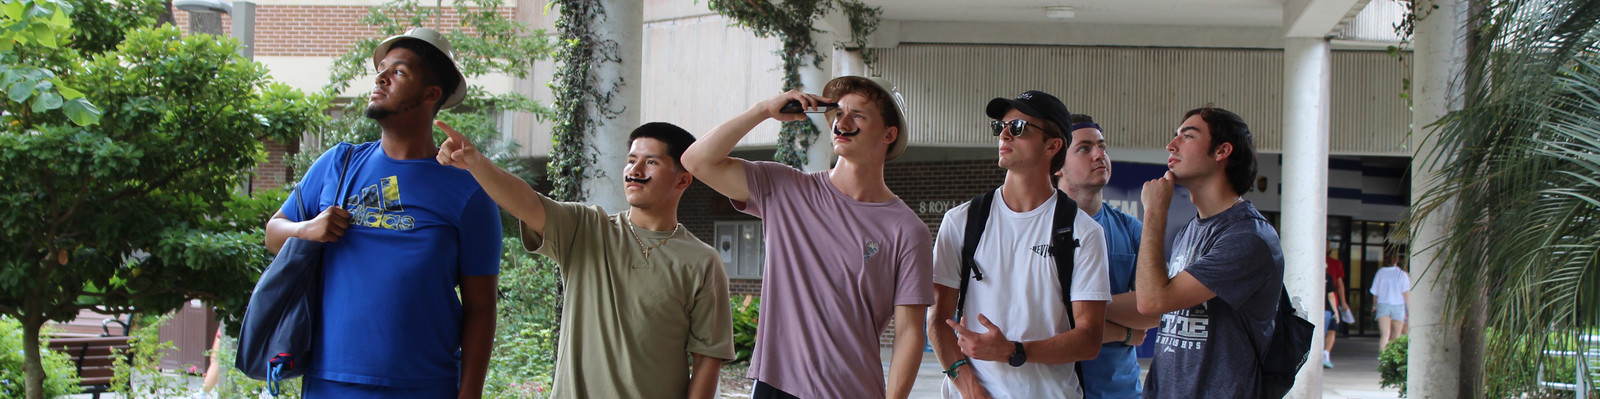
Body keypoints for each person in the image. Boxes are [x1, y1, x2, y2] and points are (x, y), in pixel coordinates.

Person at [264, 28, 502, 398]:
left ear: (431, 94)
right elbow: (273, 232)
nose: (381, 77)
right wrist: (308, 229)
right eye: (381, 69)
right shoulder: (338, 164)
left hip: (423, 386)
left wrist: (468, 395)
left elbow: (481, 306)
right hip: (330, 382)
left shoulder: (470, 191)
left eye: (399, 72)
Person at [436, 120, 735, 398]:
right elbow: (525, 201)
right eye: (631, 160)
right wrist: (476, 163)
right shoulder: (586, 229)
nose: (635, 169)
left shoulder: (702, 261)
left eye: (651, 162)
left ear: (682, 180)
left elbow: (708, 358)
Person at [681, 76, 932, 399]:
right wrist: (763, 110)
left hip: (852, 390)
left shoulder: (908, 231)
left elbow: (910, 332)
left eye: (858, 114)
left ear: (889, 133)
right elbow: (696, 161)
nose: (842, 122)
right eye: (838, 113)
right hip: (777, 384)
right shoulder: (786, 188)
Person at [929, 91, 1110, 399]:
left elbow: (1089, 339)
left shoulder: (1083, 231)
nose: (1003, 134)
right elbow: (938, 320)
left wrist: (1014, 351)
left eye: (1018, 128)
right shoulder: (962, 221)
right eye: (1000, 126)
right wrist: (971, 390)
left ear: (1053, 145)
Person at [1135, 107, 1284, 399]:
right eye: (1175, 136)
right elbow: (1169, 317)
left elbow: (1152, 301)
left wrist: (1153, 212)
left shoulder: (1248, 236)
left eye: (1187, 136)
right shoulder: (1190, 230)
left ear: (1222, 151)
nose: (1171, 145)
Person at [1056, 114, 1160, 399]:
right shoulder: (1038, 227)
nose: (1099, 155)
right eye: (1084, 148)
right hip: (1051, 388)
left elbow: (1155, 308)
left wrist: (1076, 306)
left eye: (1103, 147)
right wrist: (1123, 332)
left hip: (1118, 391)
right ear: (1057, 166)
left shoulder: (1130, 229)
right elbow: (1038, 325)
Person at [1370, 254, 1411, 350]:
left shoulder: (1380, 273)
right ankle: (1392, 360)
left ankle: (1383, 359)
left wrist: (1374, 306)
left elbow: (1375, 292)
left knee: (1385, 335)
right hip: (1398, 306)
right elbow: (1406, 294)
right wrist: (1409, 310)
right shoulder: (1402, 274)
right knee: (1396, 336)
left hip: (1383, 305)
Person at [1323, 248, 1352, 368]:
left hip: (1320, 308)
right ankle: (1325, 353)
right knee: (1330, 331)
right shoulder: (1328, 277)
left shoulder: (1313, 276)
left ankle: (1321, 354)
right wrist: (1337, 311)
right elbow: (1331, 294)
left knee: (1321, 333)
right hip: (1328, 309)